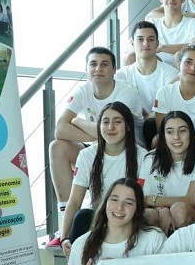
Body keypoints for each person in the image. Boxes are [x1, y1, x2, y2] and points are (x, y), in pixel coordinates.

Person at [47, 47, 142, 247]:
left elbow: (118, 127)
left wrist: (79, 122)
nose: (98, 69)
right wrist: (102, 134)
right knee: (57, 147)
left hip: (128, 148)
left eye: (104, 64)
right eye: (93, 64)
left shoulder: (126, 92)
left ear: (114, 69)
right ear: (87, 68)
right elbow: (60, 130)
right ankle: (64, 224)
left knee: (112, 127)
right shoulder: (83, 91)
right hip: (98, 148)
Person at [64, 179, 167, 265]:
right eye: (114, 199)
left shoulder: (154, 240)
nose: (119, 207)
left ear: (138, 208)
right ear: (105, 203)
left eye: (128, 202)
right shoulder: (81, 244)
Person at [60, 102, 143, 249]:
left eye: (117, 122)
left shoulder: (142, 157)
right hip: (98, 219)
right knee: (82, 217)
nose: (110, 127)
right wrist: (64, 238)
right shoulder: (87, 155)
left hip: (127, 217)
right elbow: (75, 200)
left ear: (128, 126)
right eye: (105, 122)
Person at [138, 111, 195, 234]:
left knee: (179, 210)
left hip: (193, 216)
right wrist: (162, 209)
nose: (176, 137)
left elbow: (192, 200)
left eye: (182, 131)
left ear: (191, 133)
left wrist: (154, 200)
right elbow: (143, 198)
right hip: (160, 211)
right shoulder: (150, 159)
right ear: (163, 136)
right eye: (170, 132)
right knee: (148, 215)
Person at [116, 21, 177, 144]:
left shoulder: (171, 73)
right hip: (129, 131)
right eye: (140, 39)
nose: (145, 44)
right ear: (132, 43)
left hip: (160, 130)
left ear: (157, 43)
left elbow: (174, 107)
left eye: (150, 39)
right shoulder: (121, 75)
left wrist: (150, 116)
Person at [154, 44, 195, 147]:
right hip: (171, 148)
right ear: (179, 65)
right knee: (156, 141)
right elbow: (163, 134)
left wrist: (177, 136)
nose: (193, 68)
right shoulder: (164, 92)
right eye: (188, 62)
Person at [143, 0, 195, 65]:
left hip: (184, 67)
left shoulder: (194, 23)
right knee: (131, 56)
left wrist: (161, 48)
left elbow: (193, 48)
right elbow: (133, 45)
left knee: (178, 55)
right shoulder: (152, 23)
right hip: (158, 67)